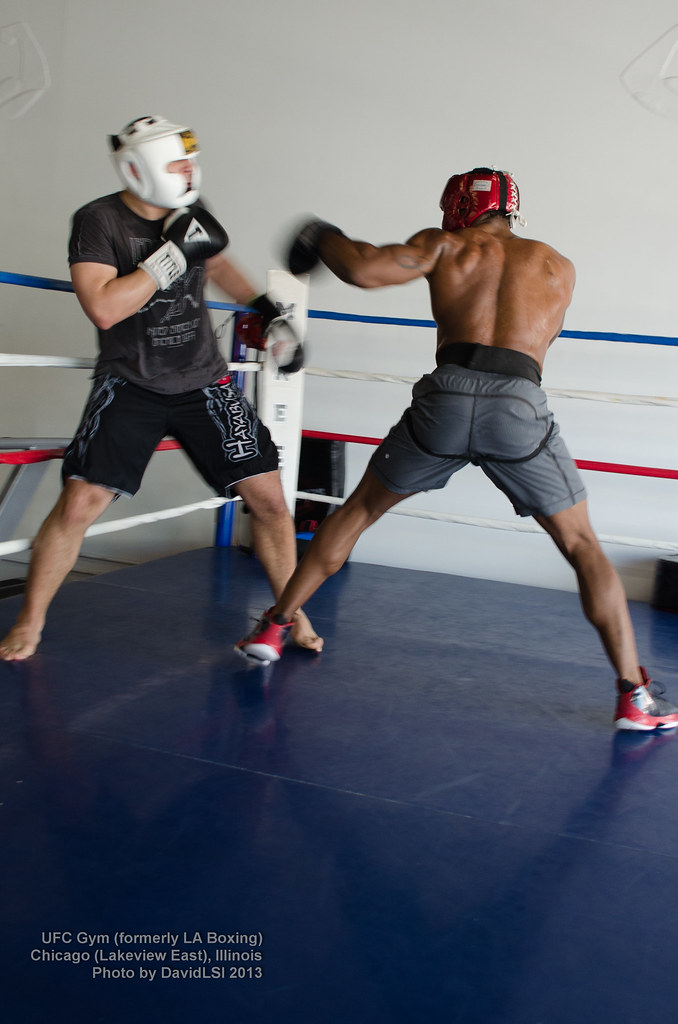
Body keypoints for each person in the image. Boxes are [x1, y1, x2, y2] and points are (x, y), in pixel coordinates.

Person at [236, 166, 678, 731]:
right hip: (517, 405)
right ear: (511, 209)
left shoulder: (445, 244)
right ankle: (633, 696)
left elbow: (364, 270)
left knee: (358, 511)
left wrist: (322, 234)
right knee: (581, 543)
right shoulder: (556, 265)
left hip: (444, 399)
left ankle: (274, 626)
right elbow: (540, 340)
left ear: (457, 208)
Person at [0, 114, 322, 662]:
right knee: (80, 502)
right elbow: (103, 308)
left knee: (269, 500)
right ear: (140, 168)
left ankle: (289, 614)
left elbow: (217, 262)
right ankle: (30, 622)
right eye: (178, 163)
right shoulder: (99, 221)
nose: (189, 171)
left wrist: (267, 314)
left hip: (205, 379)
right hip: (131, 383)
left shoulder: (192, 212)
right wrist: (172, 254)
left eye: (191, 161)